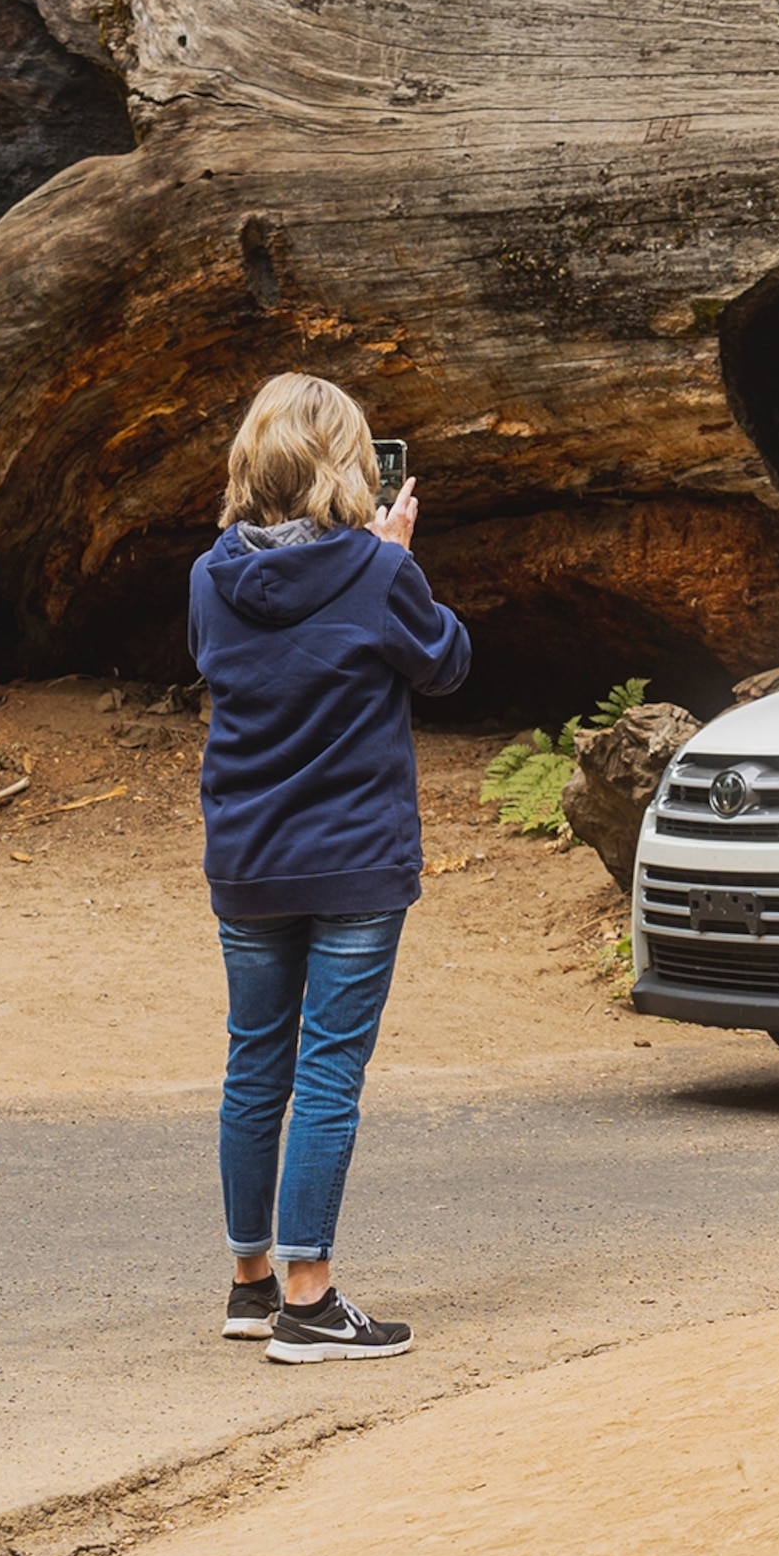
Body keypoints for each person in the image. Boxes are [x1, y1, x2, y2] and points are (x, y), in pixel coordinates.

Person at [192, 373, 470, 1362]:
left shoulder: (206, 577)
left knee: (253, 1061)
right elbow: (446, 664)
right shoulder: (374, 571)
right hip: (354, 860)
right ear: (349, 467)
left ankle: (252, 1281)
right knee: (328, 1070)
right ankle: (311, 1301)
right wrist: (398, 563)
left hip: (249, 857)